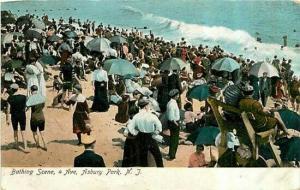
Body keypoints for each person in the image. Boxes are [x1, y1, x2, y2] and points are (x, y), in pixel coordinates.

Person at [127, 99, 164, 167]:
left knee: (143, 156)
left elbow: (130, 127)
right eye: (149, 105)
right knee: (157, 155)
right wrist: (155, 132)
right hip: (150, 136)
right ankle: (160, 168)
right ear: (146, 106)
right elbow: (159, 128)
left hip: (140, 136)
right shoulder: (152, 116)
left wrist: (136, 132)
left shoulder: (136, 116)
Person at [6, 83, 29, 152]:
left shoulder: (10, 98)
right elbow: (27, 106)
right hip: (22, 115)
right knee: (23, 131)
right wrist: (24, 110)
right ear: (17, 89)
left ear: (12, 90)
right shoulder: (24, 97)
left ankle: (16, 145)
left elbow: (8, 110)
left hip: (14, 116)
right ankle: (25, 147)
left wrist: (7, 119)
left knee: (15, 130)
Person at [26, 85, 47, 150]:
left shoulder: (31, 98)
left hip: (34, 117)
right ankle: (45, 144)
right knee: (42, 132)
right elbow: (43, 105)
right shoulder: (41, 97)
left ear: (31, 90)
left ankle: (37, 144)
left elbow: (27, 107)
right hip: (41, 116)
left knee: (34, 132)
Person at [166, 89, 180, 160]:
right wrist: (176, 123)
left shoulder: (170, 102)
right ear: (175, 96)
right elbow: (171, 116)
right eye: (177, 95)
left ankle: (171, 153)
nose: (178, 96)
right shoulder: (172, 104)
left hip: (172, 122)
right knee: (174, 139)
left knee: (173, 138)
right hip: (174, 122)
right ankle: (172, 155)